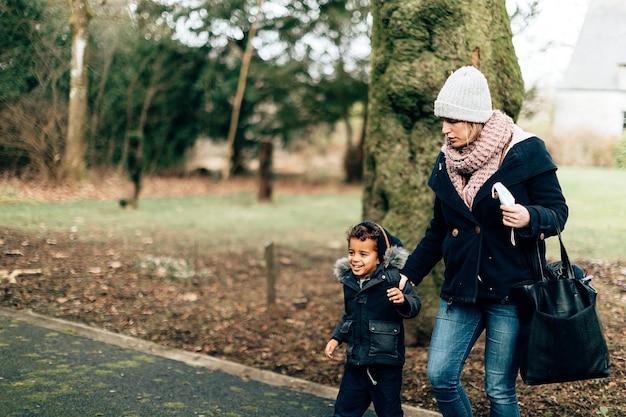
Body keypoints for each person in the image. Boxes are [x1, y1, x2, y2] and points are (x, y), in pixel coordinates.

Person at [400, 66, 568, 417]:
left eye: (453, 120)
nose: (445, 129)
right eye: (442, 120)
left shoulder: (525, 150)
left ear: (475, 118)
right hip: (461, 287)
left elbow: (558, 212)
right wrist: (410, 274)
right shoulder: (447, 161)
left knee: (499, 391)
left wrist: (528, 217)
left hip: (509, 289)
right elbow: (439, 228)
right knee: (441, 376)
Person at [325, 221, 421, 417]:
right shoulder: (350, 281)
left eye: (363, 254)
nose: (355, 259)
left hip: (385, 365)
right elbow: (349, 314)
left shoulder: (394, 279)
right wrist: (336, 338)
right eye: (352, 252)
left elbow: (415, 304)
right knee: (344, 411)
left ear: (379, 258)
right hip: (356, 364)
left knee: (389, 412)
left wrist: (403, 301)